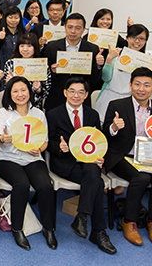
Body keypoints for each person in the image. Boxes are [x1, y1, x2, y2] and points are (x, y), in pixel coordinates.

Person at [46, 77, 117, 254]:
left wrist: (99, 156)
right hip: (65, 163)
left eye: (80, 92)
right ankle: (96, 230)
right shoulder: (53, 114)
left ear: (86, 95)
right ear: (65, 93)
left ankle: (84, 218)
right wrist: (59, 147)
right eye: (72, 91)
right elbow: (48, 143)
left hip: (88, 162)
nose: (76, 95)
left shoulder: (92, 115)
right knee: (97, 182)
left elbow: (98, 141)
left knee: (94, 174)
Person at [103, 67, 152, 247]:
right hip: (122, 156)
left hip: (148, 157)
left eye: (147, 85)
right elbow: (105, 135)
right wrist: (114, 128)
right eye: (137, 84)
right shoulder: (117, 105)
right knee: (141, 178)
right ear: (130, 85)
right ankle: (129, 221)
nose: (142, 89)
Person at [0, 77, 56, 250]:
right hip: (7, 158)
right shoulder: (3, 113)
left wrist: (39, 149)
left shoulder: (39, 114)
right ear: (9, 94)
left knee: (45, 186)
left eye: (23, 90)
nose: (20, 94)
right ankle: (17, 228)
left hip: (32, 158)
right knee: (21, 184)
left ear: (29, 91)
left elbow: (45, 141)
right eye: (15, 91)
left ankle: (49, 228)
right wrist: (2, 138)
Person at [41, 13, 103, 110]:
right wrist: (51, 71)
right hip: (57, 98)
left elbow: (95, 80)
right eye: (70, 27)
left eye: (78, 28)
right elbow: (43, 75)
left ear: (83, 30)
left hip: (81, 99)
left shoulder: (92, 49)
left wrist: (98, 65)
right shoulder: (51, 47)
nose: (73, 31)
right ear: (64, 27)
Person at [94, 24, 149, 123]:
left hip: (129, 101)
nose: (137, 41)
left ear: (145, 41)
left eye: (141, 38)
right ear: (127, 38)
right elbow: (105, 78)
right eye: (134, 37)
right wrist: (109, 60)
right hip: (108, 97)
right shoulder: (116, 54)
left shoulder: (146, 61)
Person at [0, 33, 50, 109]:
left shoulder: (42, 65)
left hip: (34, 107)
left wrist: (38, 89)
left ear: (35, 47)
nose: (25, 49)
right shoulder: (10, 63)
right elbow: (6, 91)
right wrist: (9, 83)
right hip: (13, 107)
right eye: (22, 46)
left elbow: (46, 92)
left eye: (29, 46)